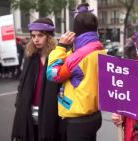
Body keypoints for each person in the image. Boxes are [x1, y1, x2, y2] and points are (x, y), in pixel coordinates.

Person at [46, 3, 106, 141]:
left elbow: (53, 74)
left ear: (75, 30)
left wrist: (60, 46)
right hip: (95, 115)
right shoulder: (100, 49)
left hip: (79, 120)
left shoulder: (78, 57)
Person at [11, 18, 64, 141]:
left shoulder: (58, 58)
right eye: (33, 35)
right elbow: (22, 82)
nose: (36, 39)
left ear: (49, 37)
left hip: (50, 114)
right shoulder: (30, 56)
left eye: (40, 35)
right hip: (28, 113)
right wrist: (19, 102)